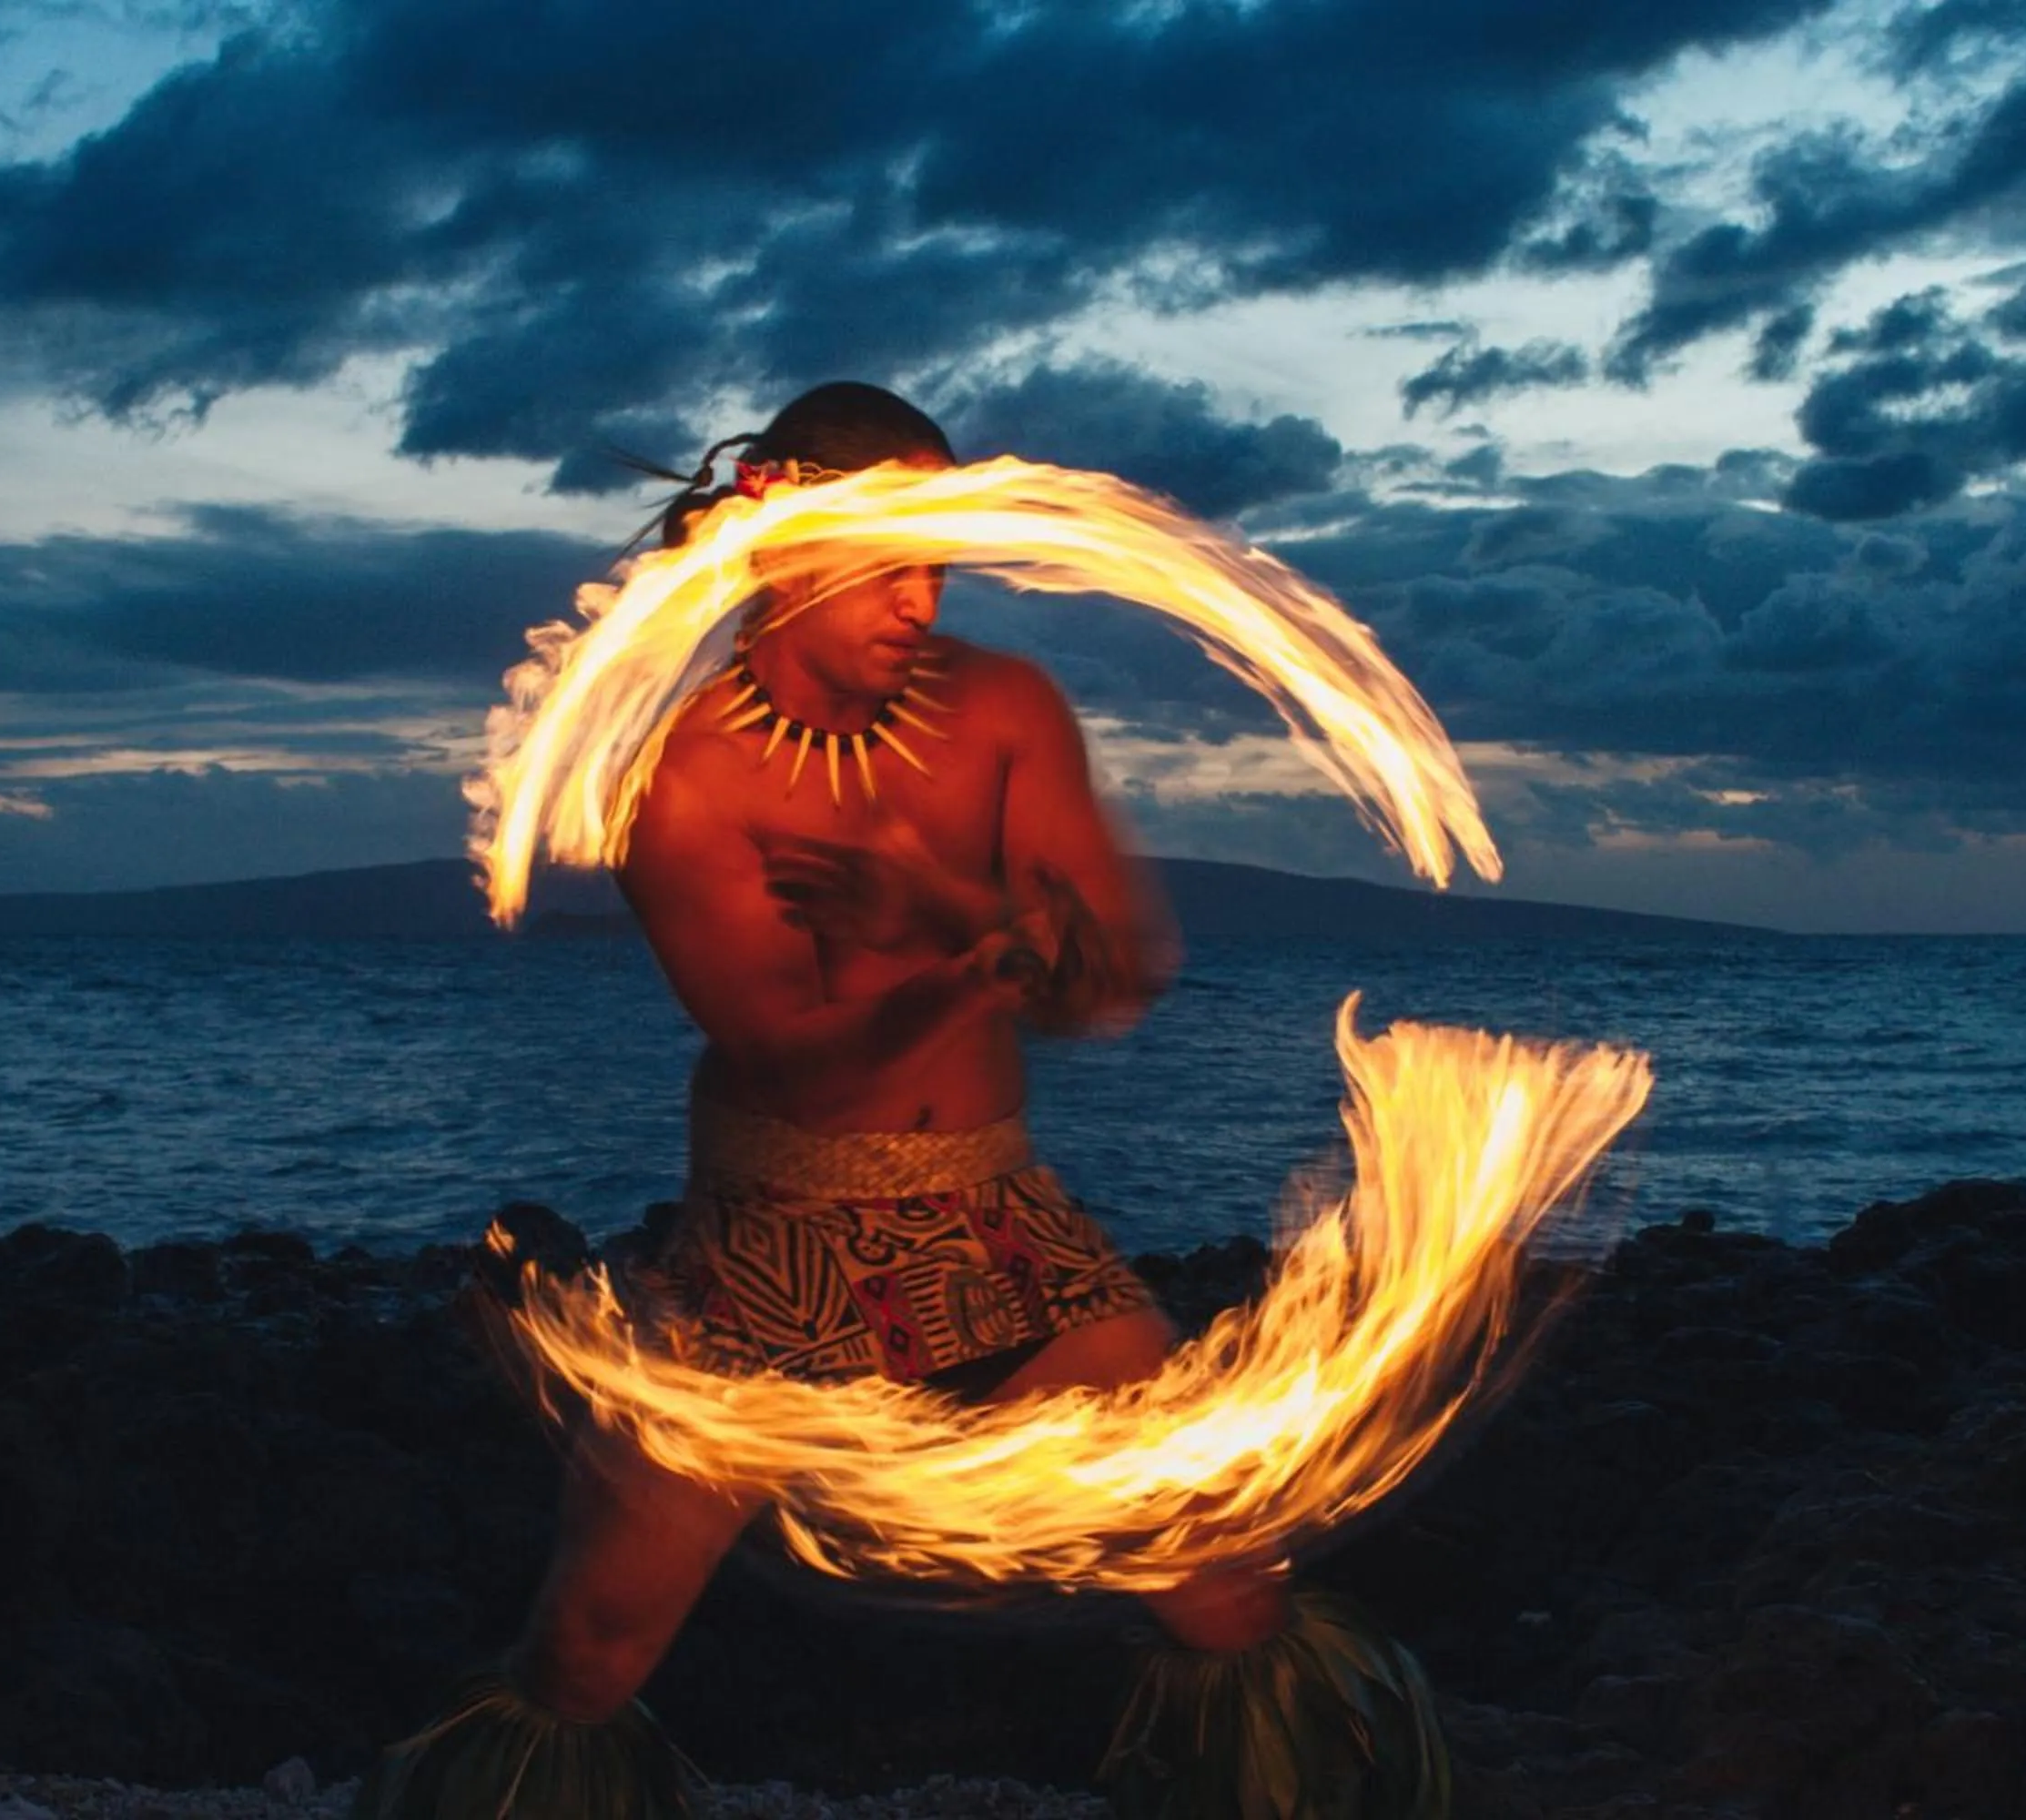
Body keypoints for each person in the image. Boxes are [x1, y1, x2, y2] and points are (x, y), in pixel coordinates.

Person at [357, 382, 1446, 1820]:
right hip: (774, 1250)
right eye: (889, 561)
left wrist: (948, 915)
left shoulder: (1002, 712)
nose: (922, 597)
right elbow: (794, 1055)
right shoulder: (682, 780)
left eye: (939, 560)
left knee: (1229, 1589)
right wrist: (968, 960)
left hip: (1001, 1226)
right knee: (591, 1650)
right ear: (783, 538)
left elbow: (1109, 978)